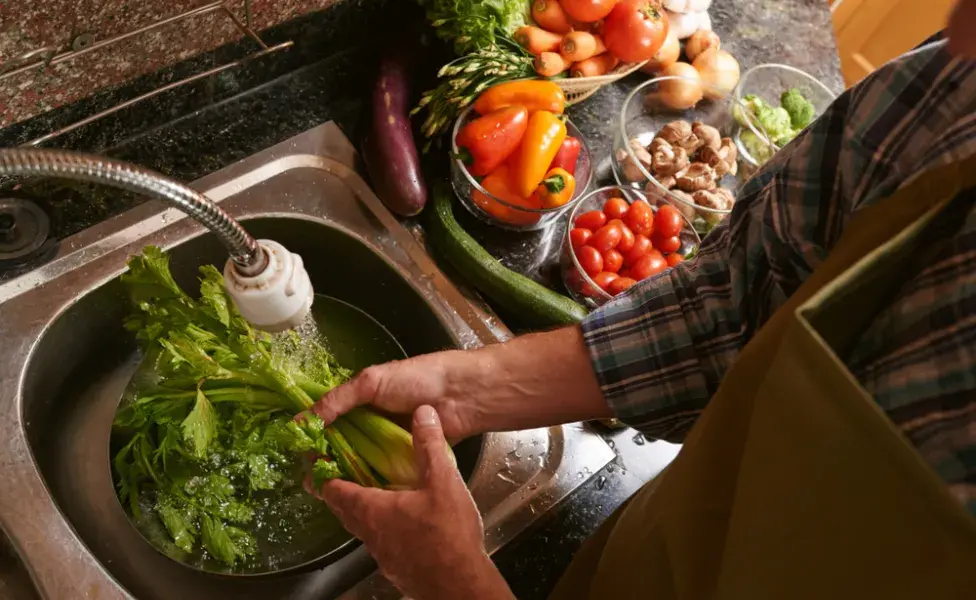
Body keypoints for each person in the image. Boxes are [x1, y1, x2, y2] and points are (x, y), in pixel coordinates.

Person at [306, 4, 976, 598]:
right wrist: (463, 388)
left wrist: (452, 584)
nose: (951, 20)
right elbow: (740, 297)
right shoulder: (952, 84)